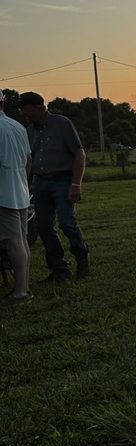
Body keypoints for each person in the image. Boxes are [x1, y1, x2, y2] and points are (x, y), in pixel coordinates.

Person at [18, 91, 91, 282]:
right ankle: (59, 269)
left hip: (63, 180)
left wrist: (76, 183)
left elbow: (79, 154)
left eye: (25, 109)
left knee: (67, 223)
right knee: (43, 227)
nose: (23, 114)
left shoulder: (62, 123)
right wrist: (28, 184)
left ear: (37, 107)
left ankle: (82, 258)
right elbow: (31, 160)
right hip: (41, 183)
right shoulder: (29, 131)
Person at [0, 90, 33, 306]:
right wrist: (25, 184)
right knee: (21, 241)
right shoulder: (16, 126)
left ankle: (21, 292)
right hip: (20, 192)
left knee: (13, 243)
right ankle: (24, 287)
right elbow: (29, 160)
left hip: (3, 194)